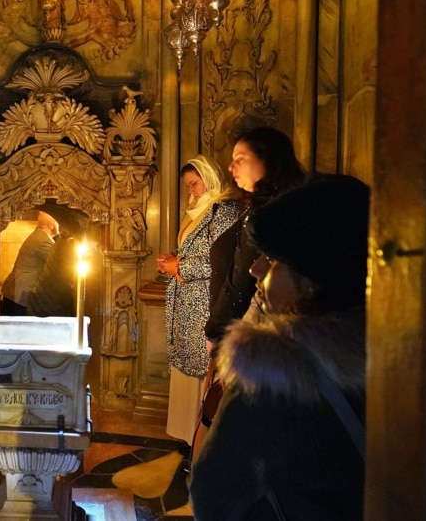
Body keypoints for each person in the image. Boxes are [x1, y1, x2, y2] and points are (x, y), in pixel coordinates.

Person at [189, 174, 369, 521]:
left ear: (312, 280)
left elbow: (212, 495)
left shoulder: (271, 379)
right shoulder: (395, 356)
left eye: (273, 260)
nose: (257, 269)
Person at [155, 157, 242, 445]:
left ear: (209, 177)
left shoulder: (224, 211)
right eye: (188, 186)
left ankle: (202, 441)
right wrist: (173, 258)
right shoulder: (194, 212)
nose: (191, 191)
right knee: (187, 367)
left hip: (204, 304)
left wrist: (179, 267)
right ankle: (188, 440)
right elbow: (193, 251)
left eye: (195, 183)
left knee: (201, 372)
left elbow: (221, 262)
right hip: (187, 305)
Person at [205, 126, 306, 349]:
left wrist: (215, 331)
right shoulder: (264, 207)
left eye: (240, 159)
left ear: (267, 159)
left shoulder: (266, 214)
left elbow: (242, 280)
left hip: (252, 335)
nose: (231, 167)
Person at [27, 203, 90, 317]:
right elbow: (72, 279)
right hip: (48, 305)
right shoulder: (68, 246)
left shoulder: (63, 242)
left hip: (44, 301)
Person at [0, 211, 60, 315]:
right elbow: (59, 261)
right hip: (18, 297)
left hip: (14, 294)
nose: (59, 226)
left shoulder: (39, 235)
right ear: (50, 225)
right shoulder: (42, 240)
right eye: (57, 223)